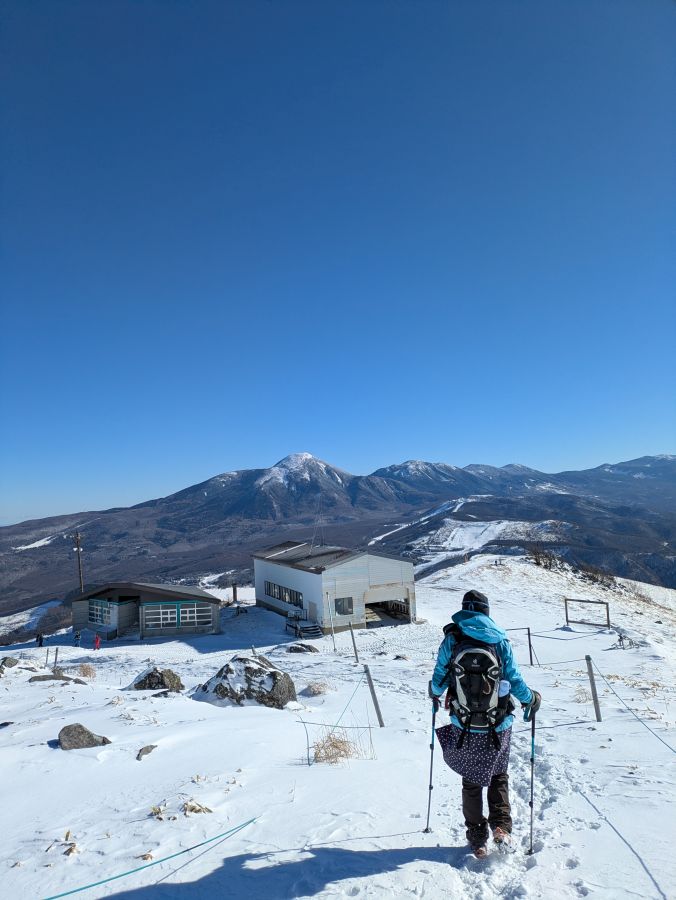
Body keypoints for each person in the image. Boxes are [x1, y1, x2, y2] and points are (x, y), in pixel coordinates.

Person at [430, 589, 541, 857]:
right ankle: (501, 828)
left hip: (464, 723)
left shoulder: (453, 639)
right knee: (498, 775)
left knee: (471, 780)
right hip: (497, 723)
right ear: (486, 611)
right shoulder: (499, 640)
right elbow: (514, 679)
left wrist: (434, 693)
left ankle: (478, 839)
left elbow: (439, 679)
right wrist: (530, 699)